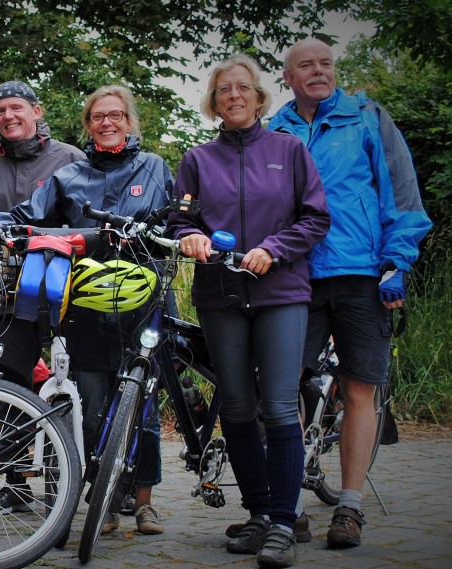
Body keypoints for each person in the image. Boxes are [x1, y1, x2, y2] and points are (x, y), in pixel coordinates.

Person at [0, 85, 174, 536]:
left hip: (141, 300)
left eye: (115, 115)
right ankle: (99, 500)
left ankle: (144, 501)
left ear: (129, 120)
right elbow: (28, 213)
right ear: (87, 125)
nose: (107, 123)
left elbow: (175, 223)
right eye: (97, 117)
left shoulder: (155, 167)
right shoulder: (71, 175)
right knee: (90, 405)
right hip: (85, 305)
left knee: (141, 403)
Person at [267, 38, 432, 549]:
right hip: (295, 276)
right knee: (282, 385)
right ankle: (287, 506)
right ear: (288, 77)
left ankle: (350, 506)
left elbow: (401, 192)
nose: (319, 72)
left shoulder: (366, 118)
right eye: (306, 66)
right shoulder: (276, 129)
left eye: (325, 64)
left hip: (362, 273)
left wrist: (396, 262)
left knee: (360, 387)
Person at [168, 53, 330, 568]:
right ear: (213, 105)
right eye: (223, 91)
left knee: (278, 406)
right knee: (235, 406)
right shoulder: (196, 159)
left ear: (259, 98)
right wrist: (190, 235)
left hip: (280, 292)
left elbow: (315, 218)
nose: (233, 96)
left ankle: (285, 521)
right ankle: (258, 512)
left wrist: (275, 248)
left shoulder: (289, 150)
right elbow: (179, 219)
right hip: (220, 297)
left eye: (243, 88)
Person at [0, 80, 84, 517]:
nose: (8, 116)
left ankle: (75, 477)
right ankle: (17, 483)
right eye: (0, 110)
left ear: (36, 110)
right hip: (7, 296)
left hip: (68, 294)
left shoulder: (69, 158)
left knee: (78, 381)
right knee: (12, 386)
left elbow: (86, 220)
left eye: (16, 108)